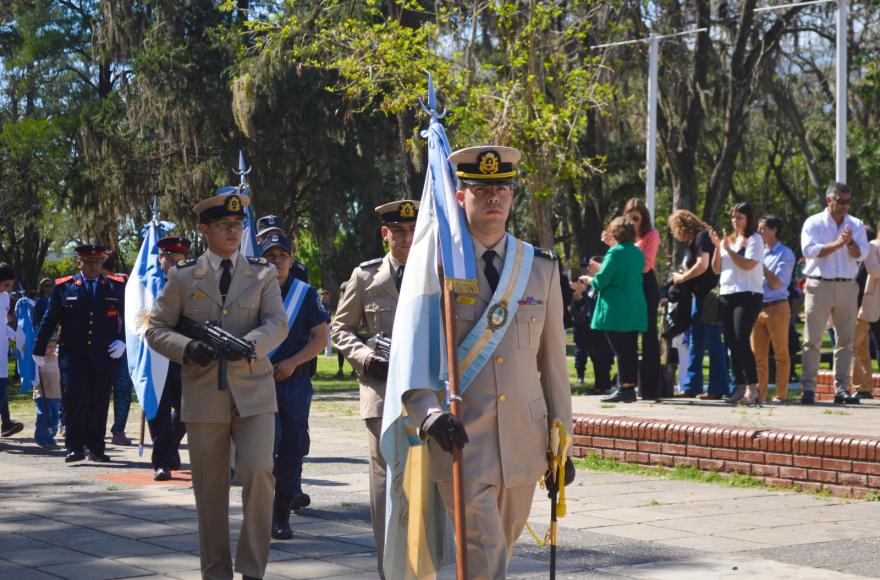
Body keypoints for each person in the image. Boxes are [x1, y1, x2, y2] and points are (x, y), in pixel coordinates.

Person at [402, 145, 573, 580]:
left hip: (524, 441)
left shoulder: (541, 268)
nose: (493, 198)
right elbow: (415, 352)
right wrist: (427, 413)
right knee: (486, 547)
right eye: (481, 190)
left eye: (502, 189)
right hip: (459, 436)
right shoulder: (437, 266)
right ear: (461, 197)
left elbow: (553, 368)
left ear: (513, 196)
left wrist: (562, 445)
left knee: (498, 549)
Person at [145, 191, 288, 580]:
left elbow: (278, 323)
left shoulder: (262, 273)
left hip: (254, 391)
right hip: (204, 393)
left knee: (259, 472)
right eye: (224, 225)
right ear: (205, 229)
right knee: (210, 489)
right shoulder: (183, 276)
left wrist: (251, 346)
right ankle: (216, 571)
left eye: (238, 225)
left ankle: (253, 568)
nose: (233, 231)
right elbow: (155, 330)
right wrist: (189, 348)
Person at [331, 199, 419, 578]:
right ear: (385, 234)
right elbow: (339, 329)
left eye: (412, 230)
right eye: (397, 231)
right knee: (385, 486)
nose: (405, 237)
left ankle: (422, 567)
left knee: (425, 484)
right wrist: (366, 357)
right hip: (381, 393)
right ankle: (389, 570)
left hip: (424, 391)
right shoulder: (365, 277)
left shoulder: (435, 272)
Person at [260, 232, 329, 540]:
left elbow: (321, 338)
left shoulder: (305, 293)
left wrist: (293, 363)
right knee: (263, 447)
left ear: (290, 258)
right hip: (258, 381)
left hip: (294, 383)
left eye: (281, 255)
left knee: (291, 448)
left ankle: (281, 513)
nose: (276, 261)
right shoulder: (251, 290)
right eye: (269, 256)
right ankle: (259, 507)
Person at [33, 246, 127, 462]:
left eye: (97, 262)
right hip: (73, 355)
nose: (94, 266)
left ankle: (96, 447)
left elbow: (129, 318)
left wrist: (123, 341)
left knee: (99, 401)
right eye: (88, 262)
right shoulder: (64, 287)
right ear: (79, 263)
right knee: (74, 400)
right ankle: (74, 447)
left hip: (104, 354)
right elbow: (50, 318)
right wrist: (39, 348)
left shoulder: (114, 287)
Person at [800, 182, 868, 405]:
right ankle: (808, 389)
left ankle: (841, 389)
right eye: (841, 201)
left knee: (845, 342)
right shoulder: (814, 222)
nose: (845, 206)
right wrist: (838, 243)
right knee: (812, 340)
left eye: (848, 202)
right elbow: (809, 251)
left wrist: (850, 243)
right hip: (819, 285)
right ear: (829, 200)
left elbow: (861, 254)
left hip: (847, 286)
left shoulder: (855, 224)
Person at [581, 217, 648, 403]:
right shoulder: (637, 252)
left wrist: (589, 279)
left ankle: (623, 388)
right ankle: (630, 388)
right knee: (631, 349)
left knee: (620, 350)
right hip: (634, 307)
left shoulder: (614, 253)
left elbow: (602, 280)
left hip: (616, 308)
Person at [668, 209, 729, 399]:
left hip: (710, 297)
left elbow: (703, 264)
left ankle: (718, 388)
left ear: (682, 226)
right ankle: (691, 386)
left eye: (674, 229)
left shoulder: (702, 237)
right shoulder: (692, 243)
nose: (674, 233)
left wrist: (682, 278)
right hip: (698, 297)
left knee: (713, 343)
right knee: (696, 342)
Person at [603, 198, 661, 399]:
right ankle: (627, 383)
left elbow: (645, 265)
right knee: (626, 335)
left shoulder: (651, 235)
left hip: (646, 284)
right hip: (631, 286)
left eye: (636, 218)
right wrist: (616, 245)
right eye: (629, 218)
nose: (633, 222)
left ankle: (650, 388)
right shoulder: (625, 242)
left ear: (643, 218)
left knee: (649, 335)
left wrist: (624, 249)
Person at [709, 202, 764, 405]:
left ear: (749, 219)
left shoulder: (755, 240)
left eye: (739, 217)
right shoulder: (729, 240)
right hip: (727, 294)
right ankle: (740, 386)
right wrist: (718, 248)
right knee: (731, 342)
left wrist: (729, 251)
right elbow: (716, 269)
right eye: (733, 217)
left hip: (748, 295)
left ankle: (753, 387)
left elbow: (748, 265)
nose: (735, 221)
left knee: (741, 338)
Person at [147, 236, 192, 481]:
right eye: (169, 258)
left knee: (187, 412)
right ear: (159, 259)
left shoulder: (193, 286)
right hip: (155, 359)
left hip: (184, 358)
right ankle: (162, 462)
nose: (173, 263)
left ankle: (170, 447)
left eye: (178, 260)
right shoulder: (147, 286)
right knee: (159, 412)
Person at [750, 215, 796, 403]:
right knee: (758, 356)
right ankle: (759, 395)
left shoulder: (785, 254)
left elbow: (777, 283)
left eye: (763, 229)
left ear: (774, 230)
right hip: (756, 307)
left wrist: (760, 266)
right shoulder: (756, 251)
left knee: (780, 354)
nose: (759, 232)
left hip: (776, 307)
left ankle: (781, 394)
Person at [103, 254, 133, 446]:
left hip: (123, 346)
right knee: (98, 391)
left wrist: (124, 341)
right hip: (98, 347)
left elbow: (133, 315)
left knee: (123, 389)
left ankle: (119, 430)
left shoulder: (125, 285)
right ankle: (94, 430)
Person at [569, 256, 613, 391]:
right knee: (595, 356)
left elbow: (598, 303)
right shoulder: (591, 284)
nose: (588, 268)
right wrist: (579, 294)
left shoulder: (602, 282)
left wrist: (584, 294)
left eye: (591, 265)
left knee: (602, 356)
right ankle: (599, 386)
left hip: (602, 324)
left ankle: (605, 385)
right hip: (590, 325)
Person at [852, 225, 880, 399]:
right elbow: (874, 271)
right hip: (865, 304)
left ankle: (864, 387)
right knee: (855, 346)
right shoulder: (872, 246)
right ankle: (862, 387)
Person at [0, 264, 24, 437]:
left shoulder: (5, 298)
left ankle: (6, 423)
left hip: (1, 350)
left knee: (2, 388)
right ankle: (6, 423)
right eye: (6, 284)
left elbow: (3, 325)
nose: (8, 289)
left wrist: (16, 336)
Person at [255, 215, 308, 283]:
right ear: (257, 239)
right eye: (267, 235)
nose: (273, 239)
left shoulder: (297, 270)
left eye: (278, 234)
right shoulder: (248, 265)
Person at [34, 336, 62, 447]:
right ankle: (41, 438)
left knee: (55, 418)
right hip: (42, 394)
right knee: (44, 416)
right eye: (49, 346)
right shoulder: (39, 359)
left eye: (54, 346)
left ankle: (50, 437)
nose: (52, 349)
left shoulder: (58, 358)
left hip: (56, 394)